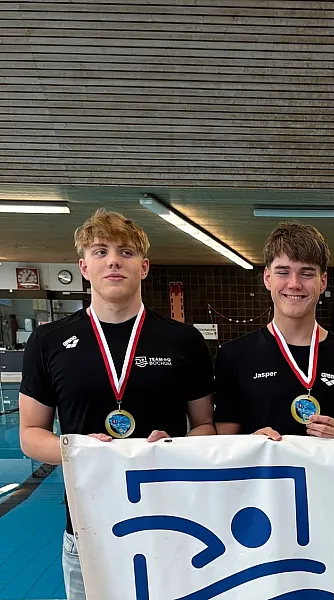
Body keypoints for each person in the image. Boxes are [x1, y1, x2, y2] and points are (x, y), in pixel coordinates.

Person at [18, 209, 215, 600]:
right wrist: (78, 450)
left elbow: (206, 427)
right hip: (88, 530)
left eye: (125, 252)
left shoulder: (183, 341)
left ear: (143, 267)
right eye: (100, 251)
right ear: (84, 267)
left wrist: (175, 448)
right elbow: (29, 434)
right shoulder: (48, 341)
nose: (113, 261)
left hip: (171, 526)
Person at [214, 223, 334, 440]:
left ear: (323, 282)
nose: (294, 284)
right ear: (267, 278)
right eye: (283, 272)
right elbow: (223, 444)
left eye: (306, 273)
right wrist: (250, 443)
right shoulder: (234, 356)